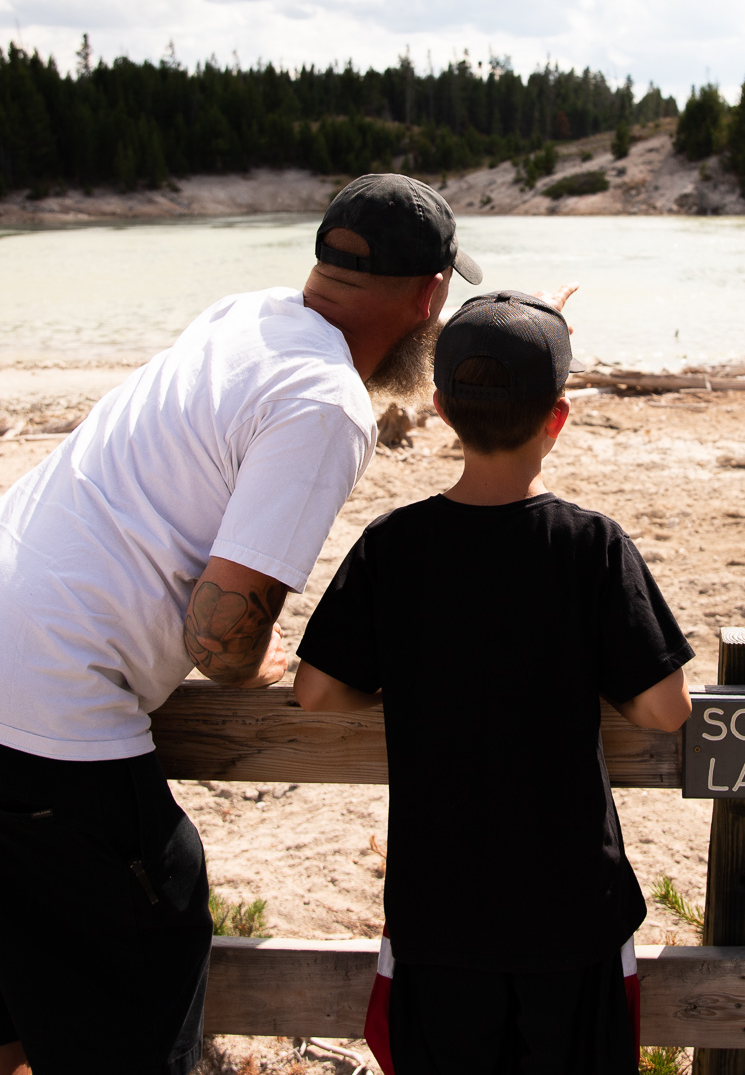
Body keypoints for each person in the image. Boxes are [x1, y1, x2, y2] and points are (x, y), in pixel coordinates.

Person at [0, 174, 482, 1075]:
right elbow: (219, 646)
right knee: (152, 941)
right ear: (430, 298)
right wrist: (261, 666)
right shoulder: (324, 404)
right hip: (33, 719)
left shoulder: (245, 314)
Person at [293, 290, 695, 1075]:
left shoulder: (394, 547)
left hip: (437, 916)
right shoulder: (590, 547)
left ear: (440, 410)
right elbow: (664, 708)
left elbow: (317, 691)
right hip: (570, 916)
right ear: (560, 417)